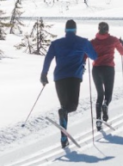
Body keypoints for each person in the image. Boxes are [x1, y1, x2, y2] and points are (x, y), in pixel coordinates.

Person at [41, 19, 97, 148]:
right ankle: (63, 131)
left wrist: (44, 74)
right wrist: (87, 52)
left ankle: (64, 138)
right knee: (72, 106)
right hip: (74, 77)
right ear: (75, 29)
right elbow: (94, 56)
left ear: (65, 30)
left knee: (64, 107)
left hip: (59, 77)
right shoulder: (83, 42)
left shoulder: (56, 43)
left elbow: (48, 58)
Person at [90, 21, 123, 131]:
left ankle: (98, 121)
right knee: (108, 94)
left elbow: (86, 53)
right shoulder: (113, 40)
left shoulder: (93, 42)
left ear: (98, 29)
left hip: (96, 69)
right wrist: (122, 44)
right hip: (108, 69)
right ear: (107, 30)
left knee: (99, 95)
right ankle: (105, 105)